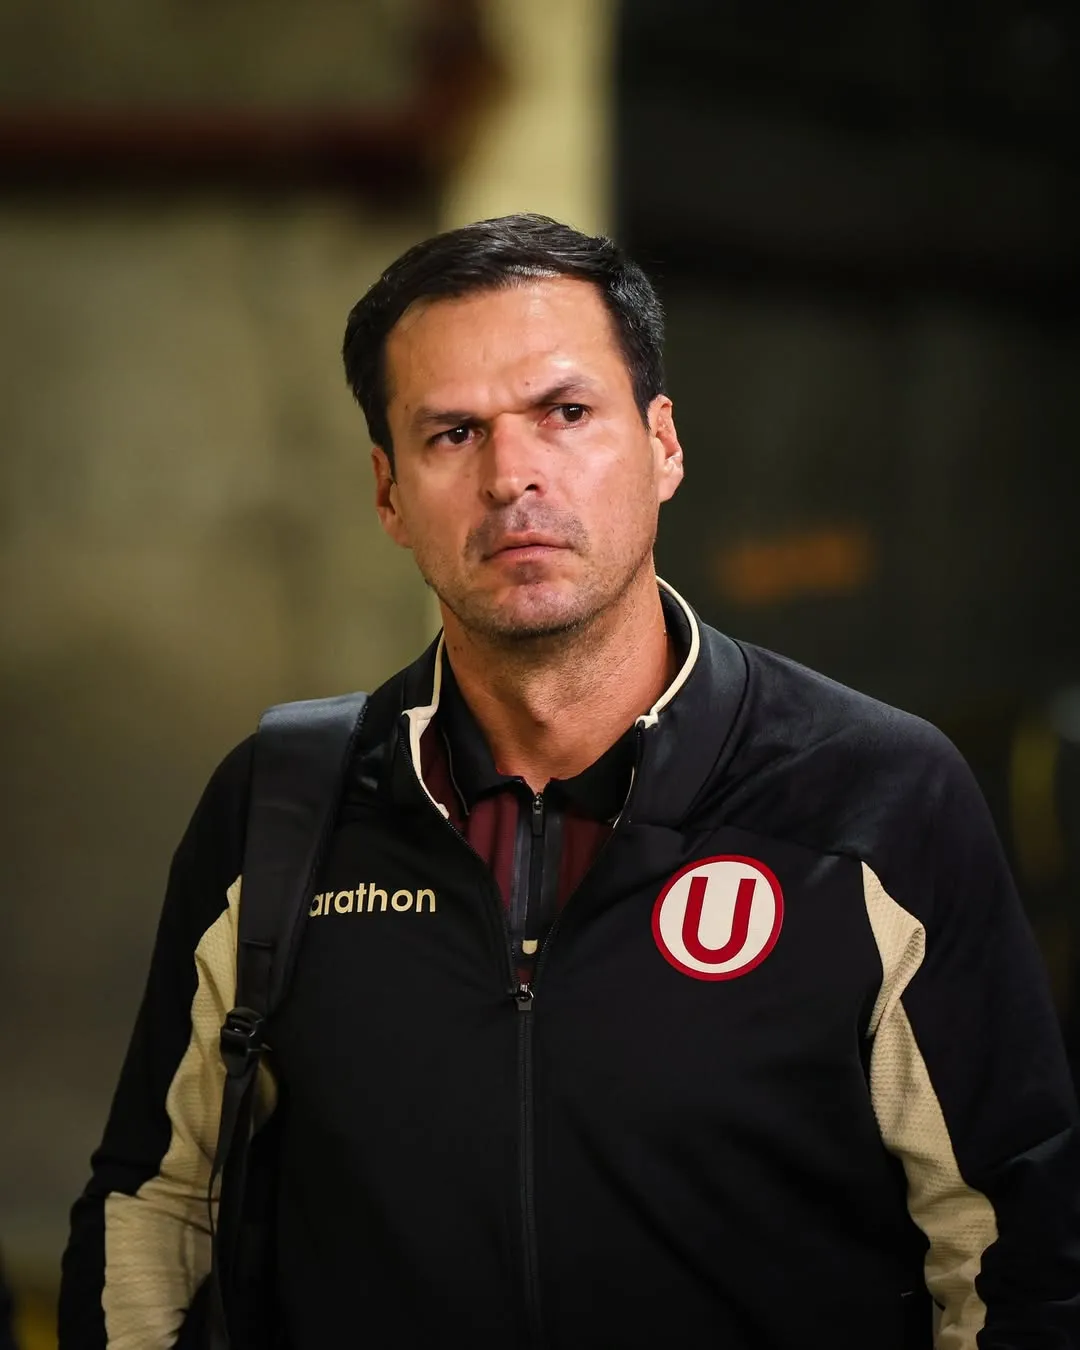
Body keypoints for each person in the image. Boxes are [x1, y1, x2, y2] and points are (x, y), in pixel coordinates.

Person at [60, 214, 1080, 1349]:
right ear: (390, 494)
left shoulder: (873, 796)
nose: (514, 475)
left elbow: (1011, 1248)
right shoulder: (281, 808)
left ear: (664, 445)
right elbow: (154, 1209)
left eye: (566, 413)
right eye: (452, 433)